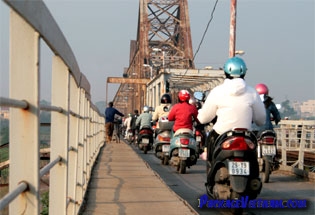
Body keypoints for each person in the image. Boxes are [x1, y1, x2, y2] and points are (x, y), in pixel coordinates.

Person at [197, 57, 266, 161]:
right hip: (246, 135)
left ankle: (212, 172)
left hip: (222, 134)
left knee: (211, 138)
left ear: (225, 72)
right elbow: (261, 120)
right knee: (254, 157)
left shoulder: (217, 91)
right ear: (244, 72)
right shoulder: (252, 92)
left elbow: (203, 119)